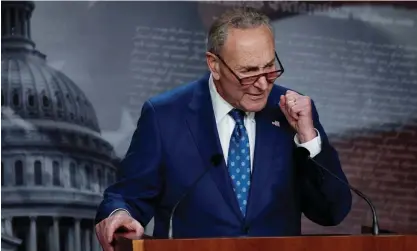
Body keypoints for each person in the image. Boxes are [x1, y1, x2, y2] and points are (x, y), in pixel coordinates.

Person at [95, 6, 352, 250]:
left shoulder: (293, 112)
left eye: (270, 68)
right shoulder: (165, 116)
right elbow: (128, 195)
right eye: (248, 73)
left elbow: (331, 212)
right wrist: (120, 214)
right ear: (214, 65)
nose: (263, 84)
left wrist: (308, 138)